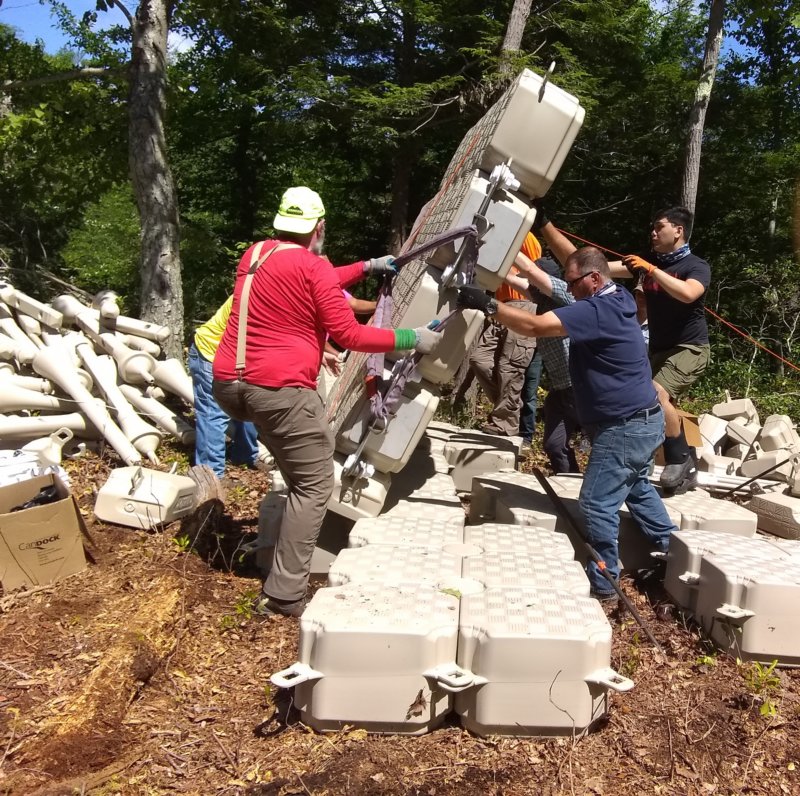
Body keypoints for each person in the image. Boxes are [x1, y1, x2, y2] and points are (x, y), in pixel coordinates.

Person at [212, 186, 441, 617]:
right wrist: (412, 337)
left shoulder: (256, 254)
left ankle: (281, 548)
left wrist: (366, 267)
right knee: (315, 483)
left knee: (299, 473)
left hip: (230, 383)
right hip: (277, 391)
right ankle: (284, 595)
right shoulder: (312, 266)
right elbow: (349, 335)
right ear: (319, 227)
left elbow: (311, 276)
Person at [457, 246, 678, 601]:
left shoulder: (597, 309)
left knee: (595, 503)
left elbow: (534, 326)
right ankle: (674, 550)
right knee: (636, 487)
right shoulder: (619, 297)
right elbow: (544, 287)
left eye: (573, 282)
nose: (569, 289)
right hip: (641, 421)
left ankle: (605, 583)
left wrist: (488, 304)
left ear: (594, 279)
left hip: (625, 426)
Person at [615, 207, 711, 494]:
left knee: (656, 394)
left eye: (659, 227)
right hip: (658, 350)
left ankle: (678, 459)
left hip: (690, 348)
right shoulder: (649, 262)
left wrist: (651, 270)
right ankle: (687, 465)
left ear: (678, 231)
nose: (653, 233)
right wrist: (546, 227)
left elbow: (689, 293)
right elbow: (598, 269)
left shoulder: (696, 266)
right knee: (648, 403)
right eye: (653, 228)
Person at [506, 250, 580, 473]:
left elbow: (530, 271)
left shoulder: (566, 296)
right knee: (554, 445)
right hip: (560, 389)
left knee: (604, 446)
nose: (530, 286)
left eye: (534, 282)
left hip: (581, 388)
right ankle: (568, 480)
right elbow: (513, 279)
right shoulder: (542, 300)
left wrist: (507, 243)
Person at [468, 232, 540, 437]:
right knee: (479, 359)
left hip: (525, 306)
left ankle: (506, 423)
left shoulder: (525, 237)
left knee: (509, 368)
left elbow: (531, 268)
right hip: (502, 307)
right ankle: (508, 409)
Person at [189, 296, 261, 478]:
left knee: (248, 405)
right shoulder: (258, 294)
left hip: (241, 358)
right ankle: (211, 475)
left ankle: (245, 457)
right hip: (211, 353)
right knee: (214, 413)